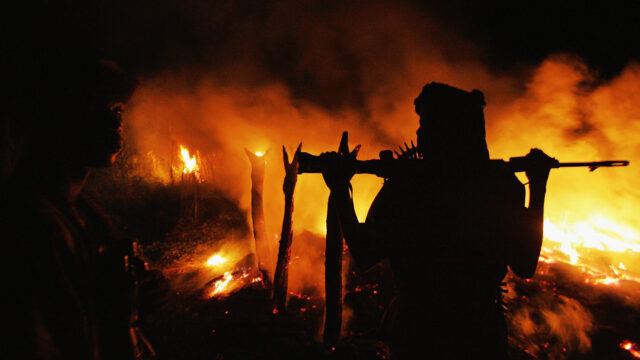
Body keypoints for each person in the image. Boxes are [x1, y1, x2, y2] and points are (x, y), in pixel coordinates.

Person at [320, 82, 555, 359]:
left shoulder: (408, 186)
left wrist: (339, 189)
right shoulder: (502, 184)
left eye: (425, 123)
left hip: (419, 331)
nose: (418, 132)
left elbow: (365, 250)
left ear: (444, 131)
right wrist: (538, 186)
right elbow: (525, 264)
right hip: (480, 332)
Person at [2, 42, 153, 359]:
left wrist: (124, 311)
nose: (115, 122)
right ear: (57, 115)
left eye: (118, 110)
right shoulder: (29, 224)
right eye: (98, 107)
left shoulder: (85, 215)